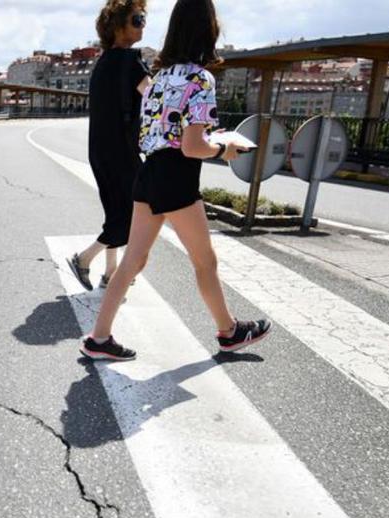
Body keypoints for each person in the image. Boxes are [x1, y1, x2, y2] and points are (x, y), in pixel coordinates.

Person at [81, 0, 270, 361]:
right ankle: (229, 332)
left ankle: (99, 338)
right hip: (176, 179)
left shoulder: (161, 77)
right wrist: (223, 149)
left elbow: (151, 136)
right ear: (209, 31)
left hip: (148, 173)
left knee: (133, 261)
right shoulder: (200, 78)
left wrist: (204, 144)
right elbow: (192, 145)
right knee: (205, 262)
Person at [66, 0, 151, 293]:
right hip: (122, 151)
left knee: (116, 210)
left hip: (100, 151)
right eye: (138, 19)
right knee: (132, 214)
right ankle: (84, 259)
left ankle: (110, 272)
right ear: (117, 26)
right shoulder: (131, 62)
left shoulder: (102, 63)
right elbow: (154, 100)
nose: (143, 24)